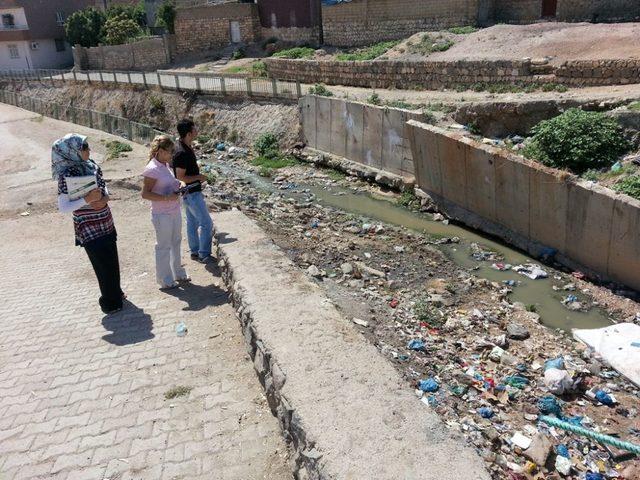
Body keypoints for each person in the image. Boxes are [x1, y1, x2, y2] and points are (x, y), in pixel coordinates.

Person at [53, 133, 123, 315]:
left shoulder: (92, 166)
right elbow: (63, 206)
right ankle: (110, 302)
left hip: (105, 221)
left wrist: (105, 199)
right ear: (73, 151)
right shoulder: (66, 175)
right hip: (88, 227)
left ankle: (116, 292)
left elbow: (104, 188)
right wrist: (86, 199)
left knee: (112, 261)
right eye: (84, 147)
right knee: (101, 264)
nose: (88, 150)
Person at [141, 135, 190, 290]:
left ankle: (178, 273)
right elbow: (145, 194)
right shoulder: (152, 169)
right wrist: (167, 197)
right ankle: (165, 279)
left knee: (176, 241)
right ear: (160, 151)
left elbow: (172, 182)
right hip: (162, 214)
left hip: (174, 210)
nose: (172, 155)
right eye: (169, 152)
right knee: (163, 246)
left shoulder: (165, 165)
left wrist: (181, 184)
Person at [172, 119, 213, 263]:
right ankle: (204, 254)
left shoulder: (185, 147)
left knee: (192, 223)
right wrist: (199, 177)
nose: (197, 130)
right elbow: (180, 177)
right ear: (189, 133)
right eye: (194, 129)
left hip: (188, 193)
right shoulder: (182, 152)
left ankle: (195, 251)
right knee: (207, 224)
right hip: (192, 193)